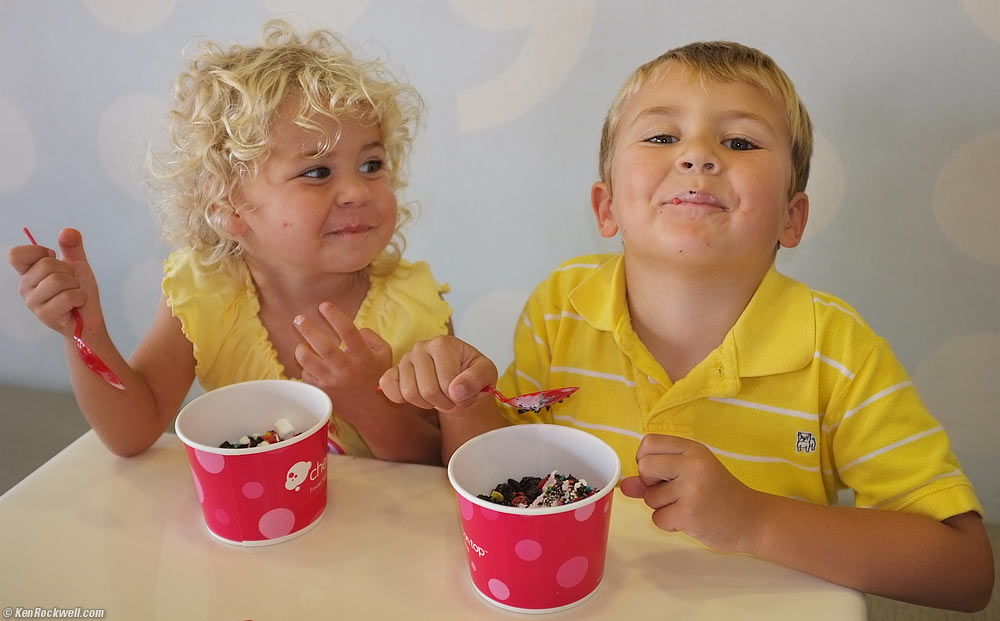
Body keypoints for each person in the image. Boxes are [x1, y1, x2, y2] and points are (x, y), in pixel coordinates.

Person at [378, 41, 994, 610]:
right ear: (607, 205)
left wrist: (753, 519)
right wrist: (460, 404)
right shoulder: (562, 306)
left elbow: (965, 570)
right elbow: (498, 484)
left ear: (791, 217)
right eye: (662, 135)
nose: (698, 155)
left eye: (742, 143)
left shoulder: (837, 351)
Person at [8, 19, 450, 464]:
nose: (358, 191)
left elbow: (440, 468)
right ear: (230, 208)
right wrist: (86, 333)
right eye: (317, 172)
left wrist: (368, 404)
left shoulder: (417, 308)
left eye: (372, 164)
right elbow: (132, 432)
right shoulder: (207, 294)